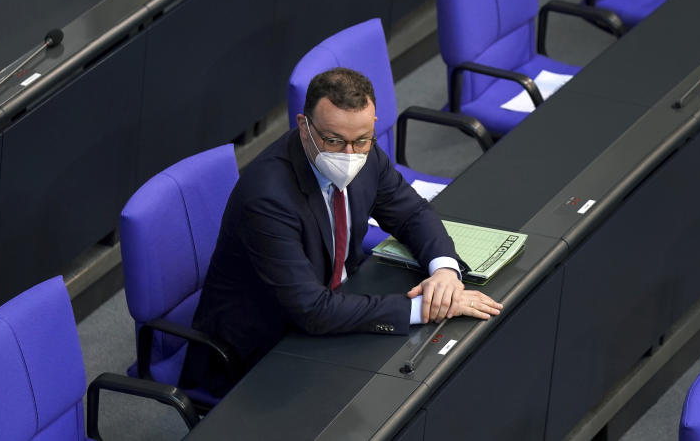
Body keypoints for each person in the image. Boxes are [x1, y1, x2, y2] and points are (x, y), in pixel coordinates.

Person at [181, 67, 502, 396]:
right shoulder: (267, 198)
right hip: (262, 347)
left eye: (361, 140)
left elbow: (412, 213)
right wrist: (426, 308)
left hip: (333, 304)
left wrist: (444, 272)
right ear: (304, 128)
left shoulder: (365, 152)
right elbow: (312, 310)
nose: (349, 155)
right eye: (334, 140)